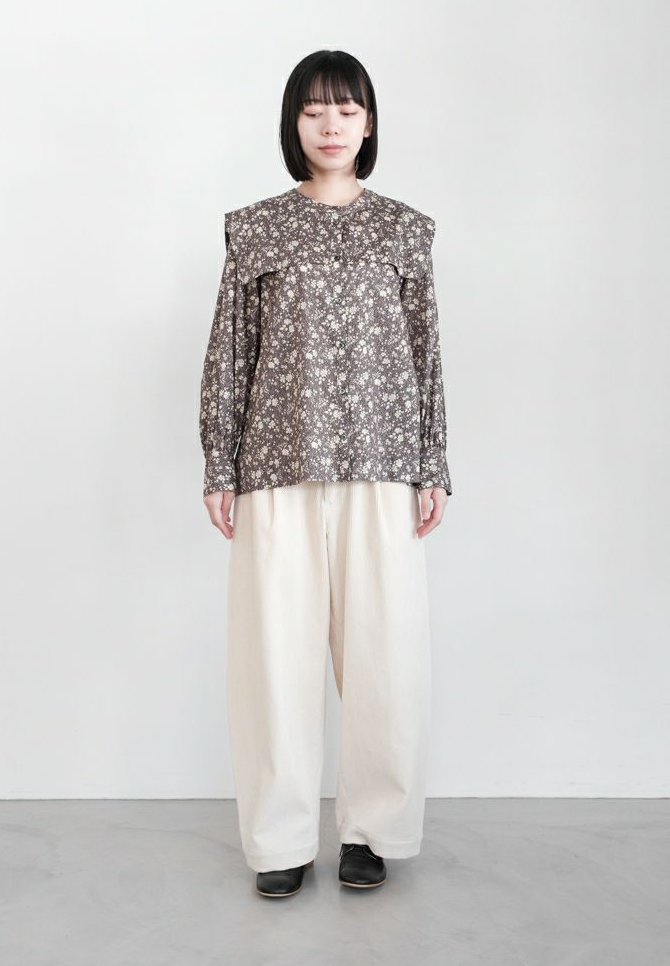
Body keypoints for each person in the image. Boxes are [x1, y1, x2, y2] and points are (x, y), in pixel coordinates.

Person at [199, 49, 452, 898]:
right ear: (293, 124)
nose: (331, 125)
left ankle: (371, 832)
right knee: (274, 658)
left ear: (369, 122)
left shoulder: (405, 229)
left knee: (386, 655)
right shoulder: (256, 228)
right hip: (277, 464)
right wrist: (219, 462)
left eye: (346, 110)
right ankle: (280, 840)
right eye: (314, 111)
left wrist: (434, 464)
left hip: (384, 463)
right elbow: (230, 349)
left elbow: (425, 354)